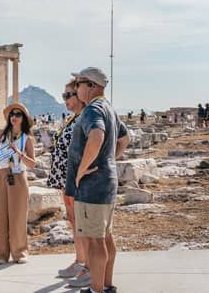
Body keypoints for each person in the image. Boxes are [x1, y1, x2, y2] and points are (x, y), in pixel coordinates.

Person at [65, 67, 130, 293]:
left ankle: (96, 290)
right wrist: (109, 159)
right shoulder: (108, 108)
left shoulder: (93, 109)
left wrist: (82, 169)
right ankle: (106, 285)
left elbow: (97, 135)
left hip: (92, 186)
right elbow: (125, 138)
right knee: (105, 237)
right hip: (106, 182)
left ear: (92, 86)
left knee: (95, 240)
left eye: (79, 83)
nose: (76, 88)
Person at [47, 79, 89, 283]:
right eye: (63, 96)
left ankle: (88, 265)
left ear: (80, 95)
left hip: (77, 180)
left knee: (82, 223)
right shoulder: (73, 119)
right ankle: (80, 260)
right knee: (74, 222)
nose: (64, 99)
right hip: (65, 180)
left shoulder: (85, 118)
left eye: (68, 95)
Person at [0, 103, 36, 264]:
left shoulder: (27, 138)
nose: (14, 117)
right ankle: (1, 254)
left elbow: (32, 164)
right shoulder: (2, 135)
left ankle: (19, 252)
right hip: (1, 176)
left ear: (24, 119)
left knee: (18, 217)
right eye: (12, 114)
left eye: (18, 114)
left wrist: (18, 153)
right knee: (1, 216)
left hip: (18, 176)